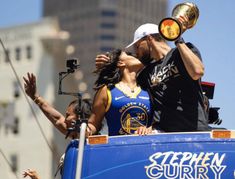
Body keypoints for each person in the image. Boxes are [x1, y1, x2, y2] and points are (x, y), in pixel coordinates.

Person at [96, 20, 210, 132]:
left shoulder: (183, 50)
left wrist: (178, 39)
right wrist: (108, 63)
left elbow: (197, 72)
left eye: (137, 46)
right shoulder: (146, 73)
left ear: (149, 39)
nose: (136, 52)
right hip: (165, 135)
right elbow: (124, 84)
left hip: (196, 129)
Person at [23, 49, 153, 136]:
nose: (136, 57)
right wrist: (82, 130)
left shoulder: (150, 89)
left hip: (148, 153)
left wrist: (151, 129)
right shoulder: (107, 91)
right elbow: (93, 124)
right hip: (118, 153)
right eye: (130, 55)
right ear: (120, 63)